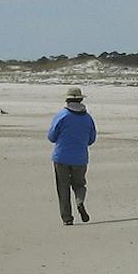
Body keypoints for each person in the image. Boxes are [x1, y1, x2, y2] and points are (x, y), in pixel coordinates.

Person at [47, 85, 97, 225]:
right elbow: (92, 139)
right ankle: (80, 201)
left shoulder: (61, 116)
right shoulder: (88, 118)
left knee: (63, 189)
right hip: (80, 158)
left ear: (67, 100)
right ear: (81, 100)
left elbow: (51, 137)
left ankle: (67, 219)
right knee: (79, 185)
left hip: (61, 157)